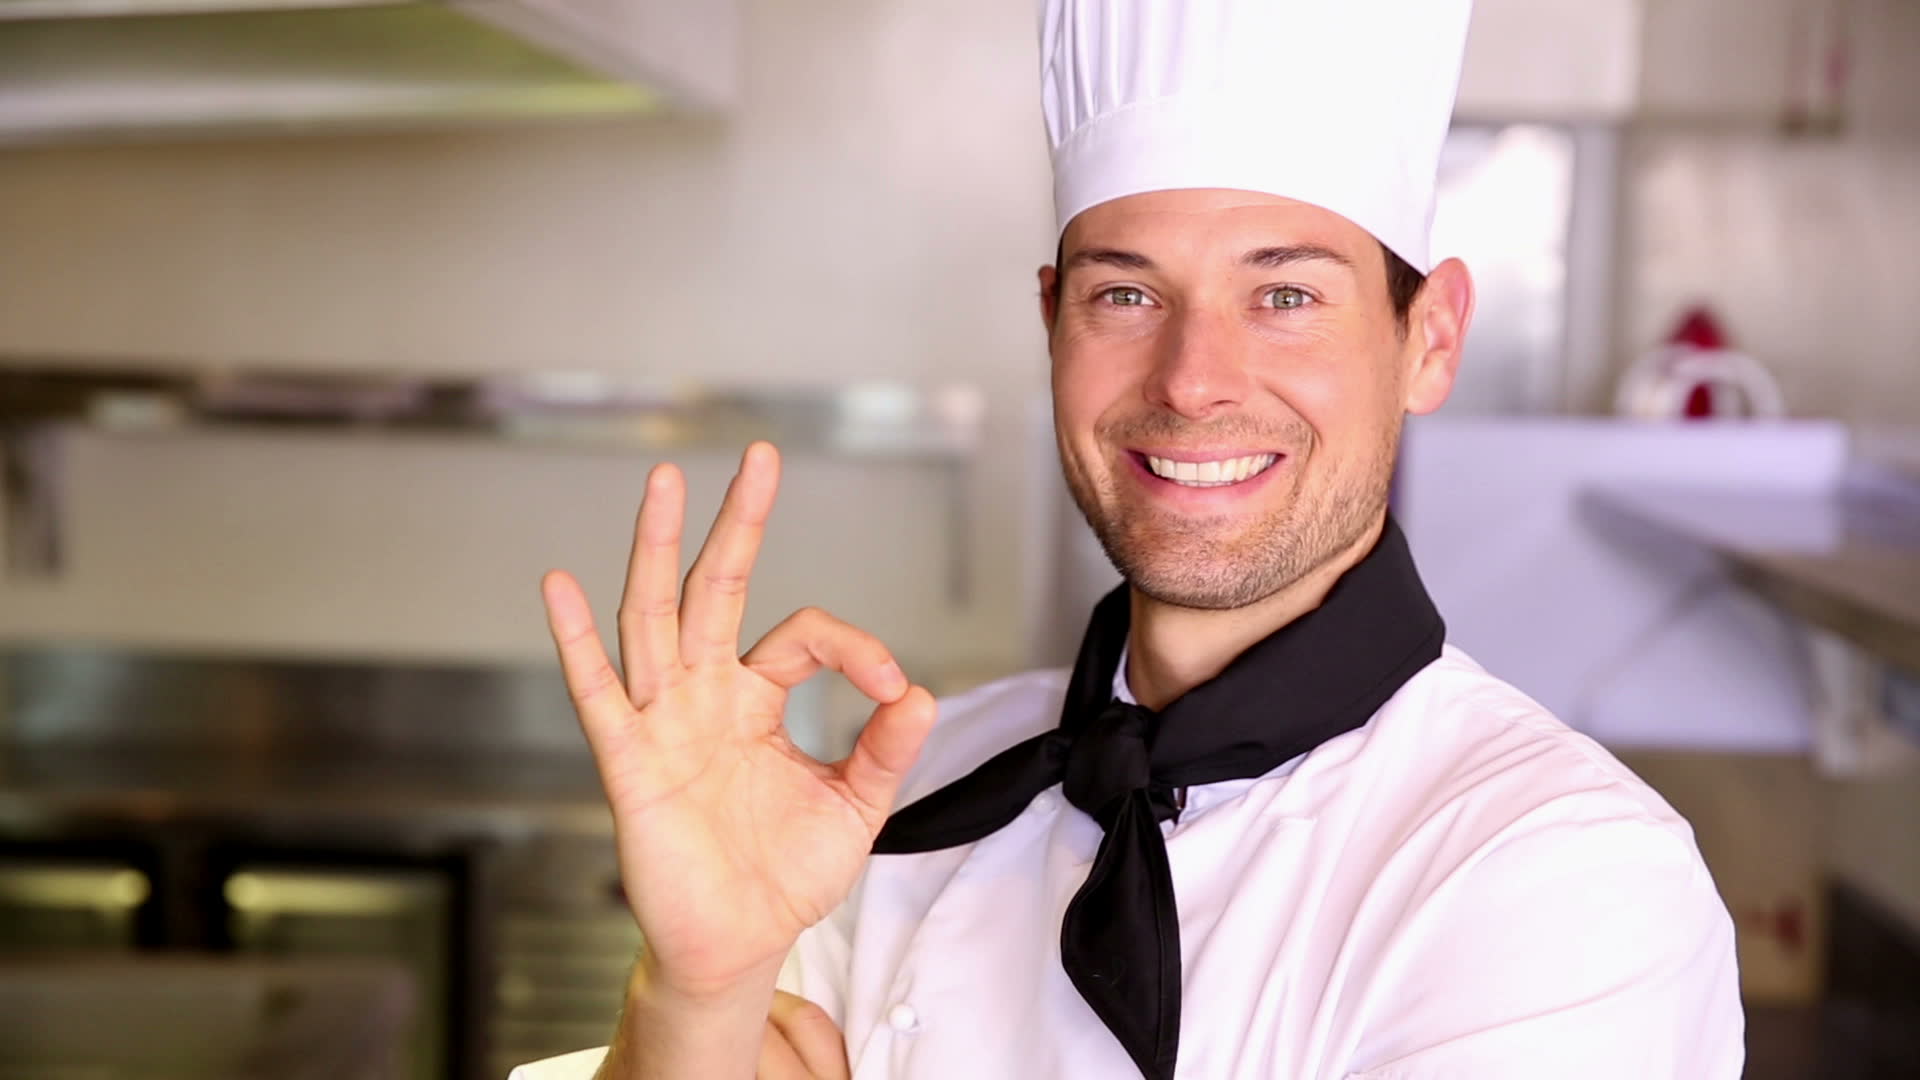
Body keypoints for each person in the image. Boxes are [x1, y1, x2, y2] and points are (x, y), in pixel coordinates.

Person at [512, 0, 1745, 1077]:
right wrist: (700, 989)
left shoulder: (1558, 879)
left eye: (1285, 296)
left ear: (1429, 339)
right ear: (1053, 323)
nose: (1195, 379)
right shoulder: (912, 783)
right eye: (1127, 293)